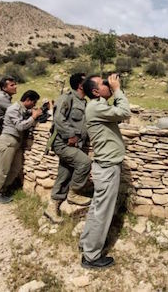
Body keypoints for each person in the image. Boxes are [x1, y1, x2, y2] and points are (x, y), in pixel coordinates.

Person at [79, 74, 131, 269]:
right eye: (104, 83)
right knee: (102, 212)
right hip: (108, 168)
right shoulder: (96, 107)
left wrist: (112, 91)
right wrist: (117, 89)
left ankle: (86, 244)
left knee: (96, 209)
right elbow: (125, 112)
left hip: (104, 166)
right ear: (95, 91)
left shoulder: (98, 105)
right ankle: (91, 257)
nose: (108, 84)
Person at [44, 73, 92, 223]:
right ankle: (73, 194)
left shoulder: (84, 102)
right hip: (62, 142)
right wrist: (70, 135)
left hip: (74, 144)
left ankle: (52, 207)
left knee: (64, 173)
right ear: (80, 85)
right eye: (87, 80)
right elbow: (58, 118)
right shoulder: (67, 98)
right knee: (84, 163)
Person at [0, 90, 43, 204]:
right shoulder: (13, 109)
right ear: (27, 100)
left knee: (16, 168)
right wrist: (33, 117)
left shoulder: (23, 109)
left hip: (15, 143)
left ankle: (4, 189)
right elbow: (20, 126)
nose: (34, 105)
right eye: (33, 102)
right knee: (3, 169)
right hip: (8, 141)